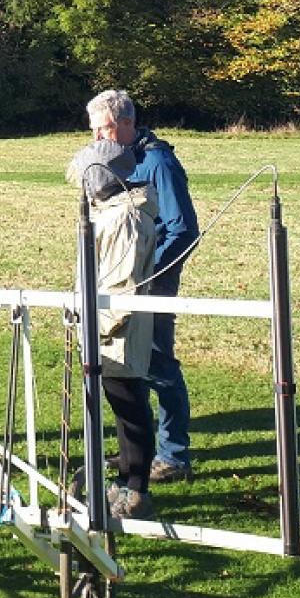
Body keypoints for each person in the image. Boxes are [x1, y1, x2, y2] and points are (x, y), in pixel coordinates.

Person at [86, 89, 200, 484]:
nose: (98, 139)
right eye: (94, 131)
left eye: (105, 129)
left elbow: (184, 230)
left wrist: (150, 273)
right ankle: (134, 451)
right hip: (114, 285)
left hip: (151, 284)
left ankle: (174, 454)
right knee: (121, 368)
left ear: (128, 125)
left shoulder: (159, 163)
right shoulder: (106, 162)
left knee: (157, 365)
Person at [68, 137, 159, 520]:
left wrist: (98, 328)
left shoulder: (125, 216)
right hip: (104, 328)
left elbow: (122, 284)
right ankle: (125, 481)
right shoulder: (113, 211)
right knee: (122, 402)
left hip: (115, 331)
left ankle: (134, 489)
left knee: (130, 405)